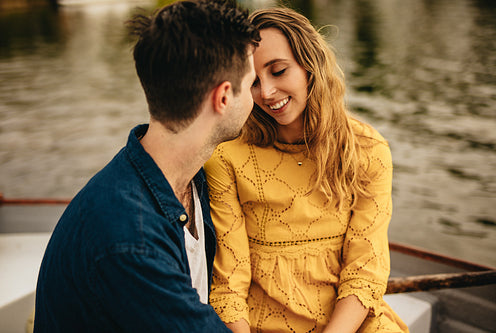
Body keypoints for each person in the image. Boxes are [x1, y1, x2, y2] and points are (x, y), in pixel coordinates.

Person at [33, 1, 259, 332]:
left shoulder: (193, 178)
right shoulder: (130, 239)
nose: (261, 95)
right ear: (223, 97)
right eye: (252, 82)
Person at [204, 7, 409, 333]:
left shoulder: (368, 150)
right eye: (254, 81)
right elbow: (230, 285)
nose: (267, 93)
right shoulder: (227, 157)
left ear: (310, 64)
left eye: (279, 71)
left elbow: (365, 271)